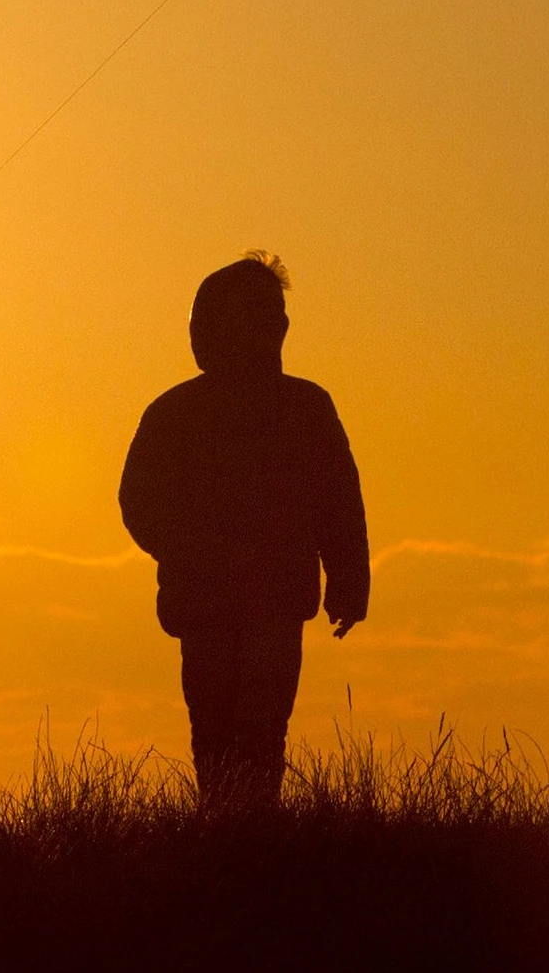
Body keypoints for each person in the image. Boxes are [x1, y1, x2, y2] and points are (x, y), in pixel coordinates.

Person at [118, 254, 369, 810]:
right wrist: (188, 551)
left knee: (261, 724)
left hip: (273, 601)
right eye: (250, 315)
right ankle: (230, 828)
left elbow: (338, 500)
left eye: (272, 313)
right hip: (205, 602)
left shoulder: (306, 408)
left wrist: (350, 582)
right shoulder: (176, 413)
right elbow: (138, 501)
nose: (269, 326)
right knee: (213, 723)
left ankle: (249, 829)